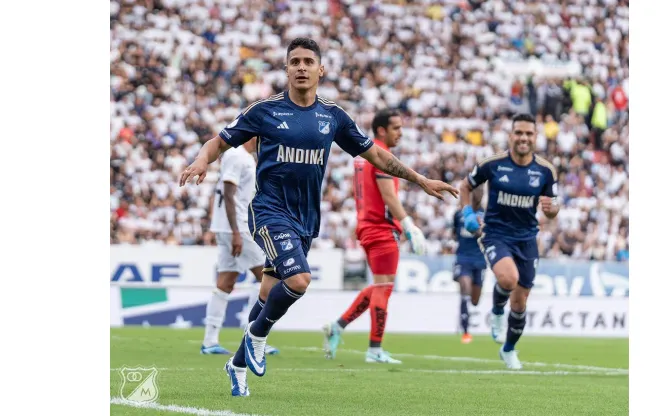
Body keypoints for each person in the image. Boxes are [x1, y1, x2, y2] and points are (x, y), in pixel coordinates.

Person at [179, 37, 458, 397]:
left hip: (306, 219)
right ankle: (257, 336)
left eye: (308, 61)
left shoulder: (333, 116)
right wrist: (203, 159)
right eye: (294, 61)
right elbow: (218, 141)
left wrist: (420, 180)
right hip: (269, 211)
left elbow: (377, 156)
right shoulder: (264, 111)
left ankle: (236, 365)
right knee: (298, 281)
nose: (301, 67)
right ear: (286, 69)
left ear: (321, 70)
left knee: (267, 293)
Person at [322, 109, 426, 364]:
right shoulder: (380, 155)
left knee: (380, 286)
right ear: (382, 130)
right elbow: (388, 195)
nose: (400, 133)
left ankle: (338, 325)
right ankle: (375, 349)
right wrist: (409, 224)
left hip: (368, 226)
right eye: (396, 128)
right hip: (380, 228)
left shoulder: (364, 154)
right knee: (383, 288)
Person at [458, 113, 560, 370]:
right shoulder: (492, 164)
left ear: (535, 137)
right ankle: (496, 312)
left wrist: (551, 210)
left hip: (527, 238)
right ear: (511, 136)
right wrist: (467, 213)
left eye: (528, 133)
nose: (523, 138)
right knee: (508, 278)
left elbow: (552, 206)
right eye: (519, 133)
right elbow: (465, 187)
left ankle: (509, 349)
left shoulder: (546, 171)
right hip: (496, 233)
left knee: (520, 301)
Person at [200, 138, 279, 357]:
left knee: (225, 282)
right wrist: (236, 231)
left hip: (228, 227)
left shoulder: (241, 156)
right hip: (238, 228)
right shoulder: (237, 155)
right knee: (267, 279)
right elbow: (228, 192)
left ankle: (209, 341)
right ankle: (255, 338)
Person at [451, 185, 487, 344]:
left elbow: (489, 236)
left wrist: (480, 232)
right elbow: (454, 234)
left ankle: (465, 319)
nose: (479, 194)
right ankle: (465, 332)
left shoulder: (487, 215)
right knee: (464, 288)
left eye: (482, 191)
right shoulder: (459, 215)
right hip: (463, 258)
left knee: (475, 300)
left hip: (479, 260)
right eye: (477, 191)